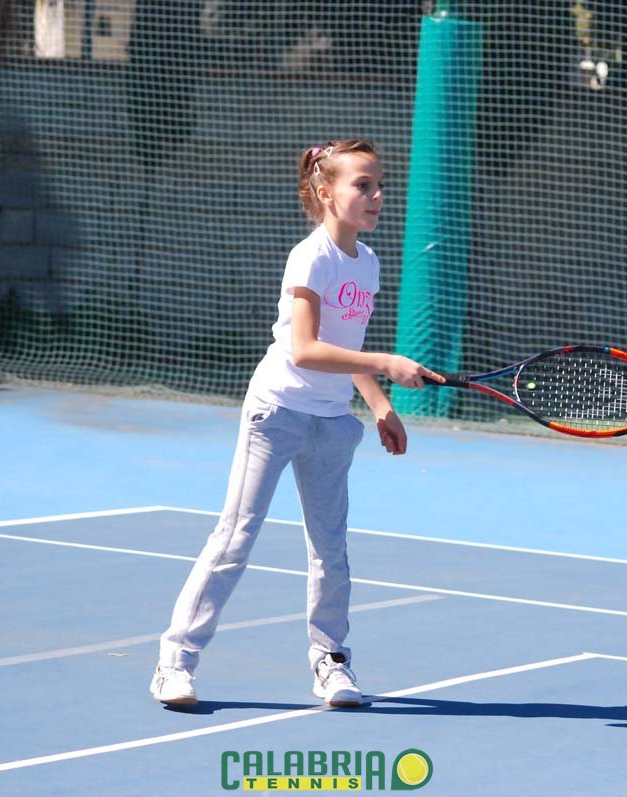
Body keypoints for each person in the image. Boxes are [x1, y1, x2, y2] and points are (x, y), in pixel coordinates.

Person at [150, 139, 440, 708]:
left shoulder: (368, 263)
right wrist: (386, 363)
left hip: (332, 423)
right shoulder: (311, 257)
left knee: (330, 551)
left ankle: (331, 663)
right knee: (234, 539)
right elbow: (306, 349)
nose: (377, 195)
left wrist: (379, 403)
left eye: (380, 185)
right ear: (326, 193)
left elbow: (345, 345)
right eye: (363, 185)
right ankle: (174, 663)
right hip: (277, 412)